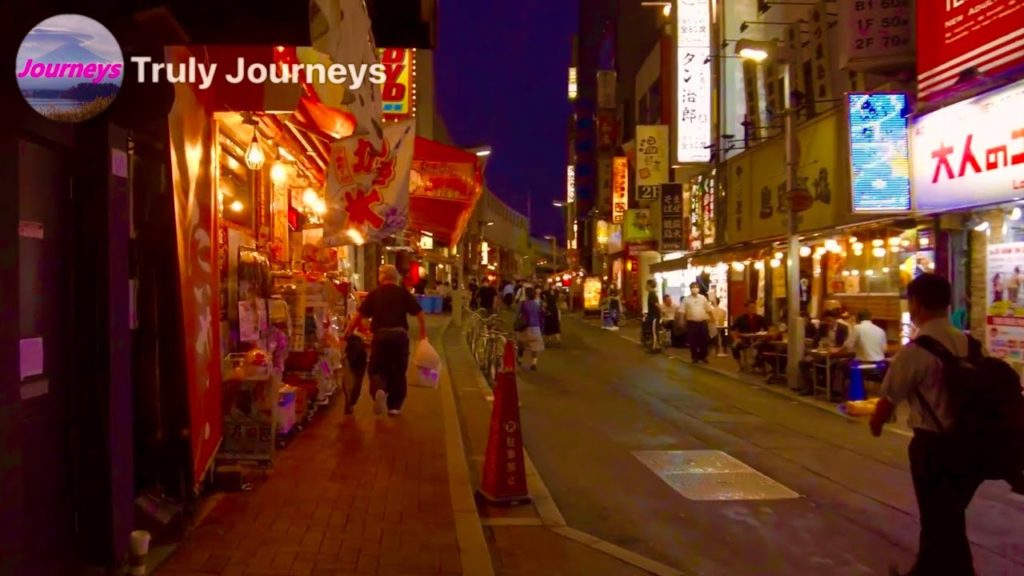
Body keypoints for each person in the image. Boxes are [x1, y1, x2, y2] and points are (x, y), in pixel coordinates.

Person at [869, 274, 983, 576]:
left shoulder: (915, 352)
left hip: (933, 448)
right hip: (971, 446)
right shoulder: (969, 343)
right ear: (948, 304)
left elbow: (888, 401)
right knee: (949, 516)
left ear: (916, 304)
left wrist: (876, 424)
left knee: (937, 518)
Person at [342, 264, 427, 417]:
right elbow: (420, 314)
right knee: (398, 372)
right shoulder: (403, 293)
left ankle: (379, 390)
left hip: (380, 337)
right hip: (400, 337)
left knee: (376, 369)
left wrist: (347, 332)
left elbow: (358, 316)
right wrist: (423, 336)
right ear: (396, 277)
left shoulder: (375, 294)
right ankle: (394, 406)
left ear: (381, 277)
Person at [681, 282, 714, 363]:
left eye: (696, 287)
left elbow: (708, 309)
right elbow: (682, 312)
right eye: (693, 287)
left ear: (698, 288)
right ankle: (695, 357)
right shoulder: (686, 299)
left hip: (702, 322)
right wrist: (682, 321)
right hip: (691, 323)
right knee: (693, 341)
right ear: (690, 289)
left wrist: (713, 318)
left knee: (704, 340)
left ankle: (703, 357)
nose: (695, 289)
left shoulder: (703, 298)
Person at [515, 286, 545, 370]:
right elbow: (542, 316)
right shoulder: (538, 304)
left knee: (521, 343)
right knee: (535, 346)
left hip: (525, 327)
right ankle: (534, 363)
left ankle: (520, 359)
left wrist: (516, 326)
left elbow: (519, 315)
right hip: (536, 327)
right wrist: (542, 328)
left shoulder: (523, 303)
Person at [731, 300, 769, 364]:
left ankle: (757, 362)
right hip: (744, 339)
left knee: (764, 346)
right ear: (746, 308)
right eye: (751, 307)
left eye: (754, 307)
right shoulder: (740, 318)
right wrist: (736, 339)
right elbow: (732, 329)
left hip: (756, 339)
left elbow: (766, 329)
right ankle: (740, 365)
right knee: (734, 347)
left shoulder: (759, 318)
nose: (753, 309)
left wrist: (762, 335)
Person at [644, 279, 662, 349]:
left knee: (654, 332)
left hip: (654, 316)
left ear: (650, 285)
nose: (645, 286)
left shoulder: (652, 294)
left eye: (646, 285)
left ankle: (655, 347)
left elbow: (656, 304)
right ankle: (654, 346)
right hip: (653, 315)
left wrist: (662, 310)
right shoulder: (651, 293)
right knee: (653, 331)